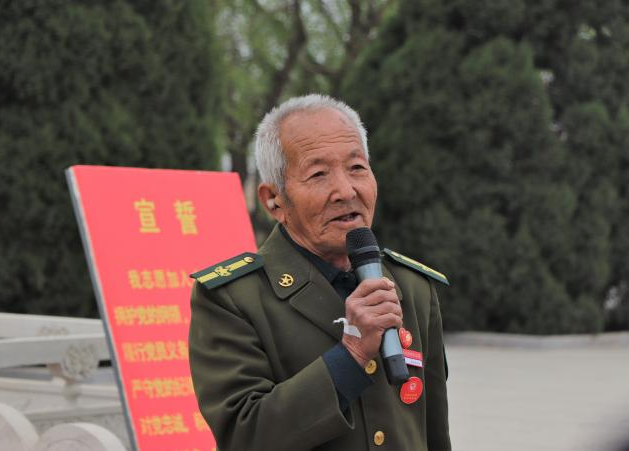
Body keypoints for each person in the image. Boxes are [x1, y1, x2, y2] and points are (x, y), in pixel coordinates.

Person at [189, 94, 451, 451]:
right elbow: (243, 435)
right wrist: (351, 355)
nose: (346, 190)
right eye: (318, 174)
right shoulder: (234, 299)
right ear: (274, 200)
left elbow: (433, 433)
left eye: (356, 168)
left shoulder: (413, 286)